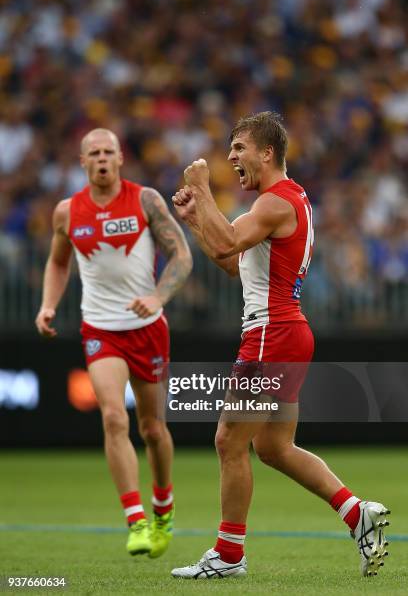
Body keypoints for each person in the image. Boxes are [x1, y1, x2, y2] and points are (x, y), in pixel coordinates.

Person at [171, 111, 390, 579]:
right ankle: (357, 513)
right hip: (287, 331)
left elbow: (229, 242)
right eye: (229, 150)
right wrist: (195, 220)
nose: (231, 158)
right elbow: (234, 263)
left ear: (267, 152)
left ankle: (229, 555)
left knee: (229, 440)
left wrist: (204, 189)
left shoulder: (273, 203)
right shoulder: (286, 202)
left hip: (272, 333)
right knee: (272, 446)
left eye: (239, 149)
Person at [35, 128, 192, 558]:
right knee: (112, 418)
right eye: (93, 153)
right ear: (82, 162)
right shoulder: (67, 212)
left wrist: (157, 297)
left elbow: (182, 254)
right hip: (100, 329)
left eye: (108, 152)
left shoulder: (146, 201)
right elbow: (57, 262)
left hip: (148, 328)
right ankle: (136, 520)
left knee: (153, 429)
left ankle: (163, 507)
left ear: (121, 158)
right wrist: (49, 305)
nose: (102, 159)